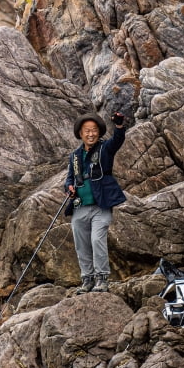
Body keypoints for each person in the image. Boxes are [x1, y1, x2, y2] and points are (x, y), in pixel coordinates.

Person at [65, 109, 127, 293]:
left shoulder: (105, 149)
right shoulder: (74, 156)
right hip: (80, 207)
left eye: (94, 130)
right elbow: (69, 178)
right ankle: (87, 279)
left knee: (97, 240)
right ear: (80, 134)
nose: (91, 134)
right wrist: (68, 187)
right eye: (86, 131)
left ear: (99, 132)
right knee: (81, 244)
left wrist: (119, 125)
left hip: (101, 206)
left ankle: (102, 279)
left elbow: (117, 141)